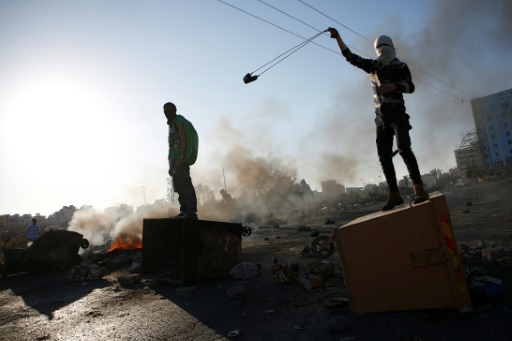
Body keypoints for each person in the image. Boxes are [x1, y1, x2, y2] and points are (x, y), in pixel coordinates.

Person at [327, 27, 429, 211]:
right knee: (384, 156)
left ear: (391, 47)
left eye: (385, 46)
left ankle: (419, 188)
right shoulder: (373, 66)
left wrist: (393, 86)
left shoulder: (400, 66)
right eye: (380, 47)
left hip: (398, 114)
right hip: (381, 118)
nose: (383, 50)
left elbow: (410, 87)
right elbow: (350, 57)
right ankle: (394, 194)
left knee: (404, 148)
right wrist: (337, 38)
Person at [164, 102, 199, 219]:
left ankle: (191, 210)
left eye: (169, 110)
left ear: (174, 111)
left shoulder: (178, 121)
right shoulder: (172, 124)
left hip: (179, 158)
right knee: (177, 186)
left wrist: (181, 158)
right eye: (165, 110)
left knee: (184, 183)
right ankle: (184, 210)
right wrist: (171, 166)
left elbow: (183, 140)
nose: (166, 112)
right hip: (174, 159)